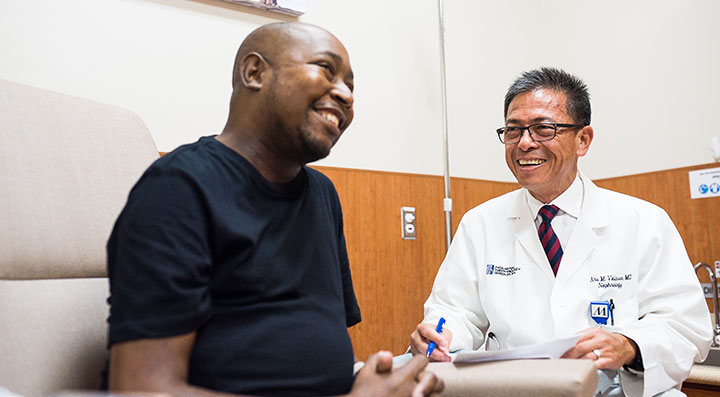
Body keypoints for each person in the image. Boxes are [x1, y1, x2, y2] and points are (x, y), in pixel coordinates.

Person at [106, 22, 443, 397]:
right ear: (255, 73)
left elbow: (310, 359)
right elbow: (143, 389)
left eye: (352, 85)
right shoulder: (179, 189)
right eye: (326, 70)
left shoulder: (321, 195)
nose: (346, 95)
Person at [410, 67, 711, 396]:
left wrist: (628, 344)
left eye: (543, 129)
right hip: (516, 389)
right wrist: (440, 334)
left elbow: (685, 326)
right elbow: (454, 310)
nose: (525, 143)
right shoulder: (479, 223)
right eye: (513, 131)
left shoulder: (643, 221)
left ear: (583, 140)